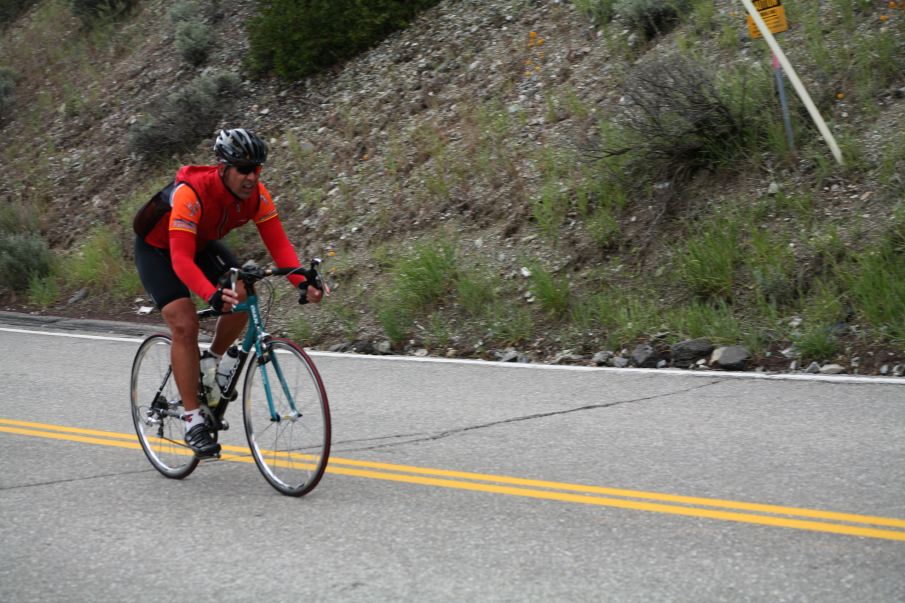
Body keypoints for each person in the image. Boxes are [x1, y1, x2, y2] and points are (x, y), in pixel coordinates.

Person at [134, 128, 322, 457]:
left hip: (200, 245)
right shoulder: (191, 193)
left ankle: (212, 361)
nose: (252, 177)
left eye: (257, 169)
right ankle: (193, 420)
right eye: (244, 169)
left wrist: (302, 281)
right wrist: (210, 294)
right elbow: (180, 259)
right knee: (185, 323)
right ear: (223, 168)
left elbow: (278, 244)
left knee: (244, 293)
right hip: (158, 250)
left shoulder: (257, 196)